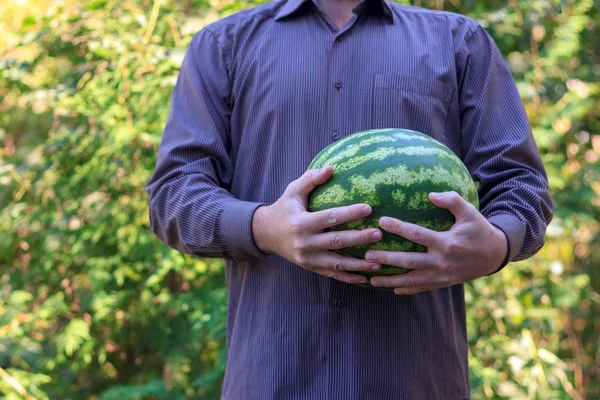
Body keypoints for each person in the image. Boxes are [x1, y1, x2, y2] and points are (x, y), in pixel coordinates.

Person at [145, 0, 553, 398]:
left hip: (416, 381)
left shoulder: (459, 42)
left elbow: (521, 185)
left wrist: (497, 244)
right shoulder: (223, 45)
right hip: (273, 379)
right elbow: (173, 195)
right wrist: (264, 228)